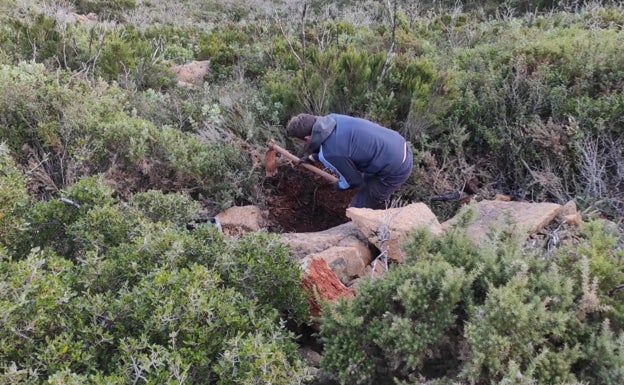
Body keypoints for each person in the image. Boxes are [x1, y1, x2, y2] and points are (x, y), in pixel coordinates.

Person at [286, 113, 413, 209]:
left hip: (397, 167)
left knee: (358, 208)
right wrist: (312, 157)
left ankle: (380, 222)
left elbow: (352, 181)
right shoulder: (332, 118)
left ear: (307, 138)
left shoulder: (330, 154)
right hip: (398, 144)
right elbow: (337, 147)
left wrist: (339, 185)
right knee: (367, 181)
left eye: (299, 140)